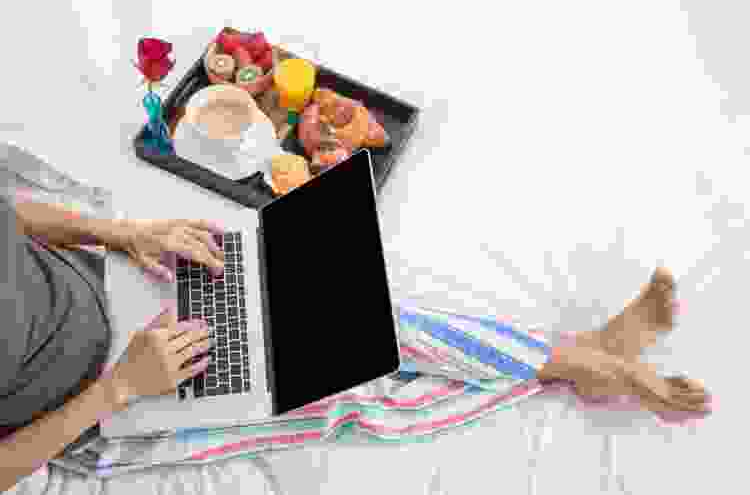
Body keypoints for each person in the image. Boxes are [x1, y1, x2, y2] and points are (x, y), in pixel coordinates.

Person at [0, 193, 711, 491]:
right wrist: (122, 387)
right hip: (98, 406)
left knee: (345, 305)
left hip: (113, 284)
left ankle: (581, 358)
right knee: (353, 388)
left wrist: (120, 234)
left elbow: (15, 215)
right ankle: (581, 361)